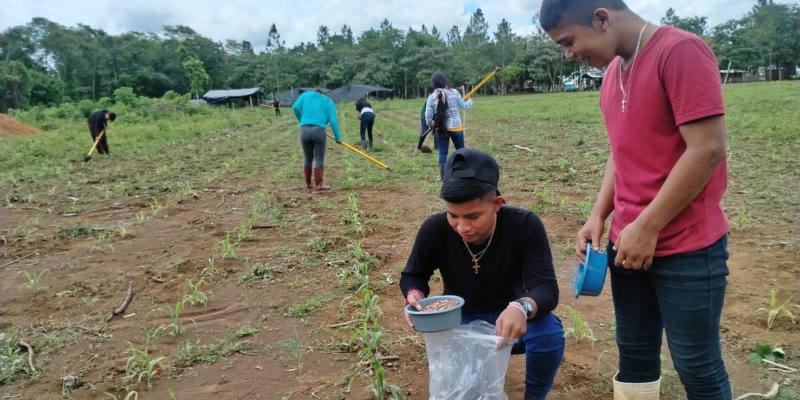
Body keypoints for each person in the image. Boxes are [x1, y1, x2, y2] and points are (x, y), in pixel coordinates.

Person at [539, 1, 731, 399]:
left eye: (569, 41)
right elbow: (622, 149)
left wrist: (648, 225)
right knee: (636, 355)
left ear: (602, 17)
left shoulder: (679, 52)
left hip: (687, 247)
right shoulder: (611, 74)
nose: (569, 53)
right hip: (627, 246)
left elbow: (707, 149)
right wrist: (598, 215)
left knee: (696, 363)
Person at [400, 148, 565, 399]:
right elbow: (413, 274)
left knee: (548, 332)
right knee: (470, 390)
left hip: (510, 322)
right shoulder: (435, 229)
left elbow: (546, 289)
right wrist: (414, 294)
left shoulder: (524, 226)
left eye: (473, 216)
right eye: (453, 215)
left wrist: (521, 307)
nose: (462, 227)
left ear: (497, 204)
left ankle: (535, 396)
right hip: (459, 324)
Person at [291, 90, 342, 191]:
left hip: (304, 130)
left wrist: (301, 120)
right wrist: (338, 138)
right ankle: (319, 185)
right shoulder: (328, 102)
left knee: (307, 158)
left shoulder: (306, 95)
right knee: (319, 157)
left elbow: (295, 107)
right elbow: (333, 120)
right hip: (319, 131)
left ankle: (308, 184)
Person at [425, 72, 473, 179]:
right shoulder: (454, 92)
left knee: (443, 153)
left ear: (433, 84)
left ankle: (443, 176)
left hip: (441, 129)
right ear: (444, 81)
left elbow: (428, 117)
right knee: (460, 151)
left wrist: (432, 125)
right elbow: (464, 106)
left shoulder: (432, 97)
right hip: (456, 127)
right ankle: (462, 174)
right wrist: (470, 100)